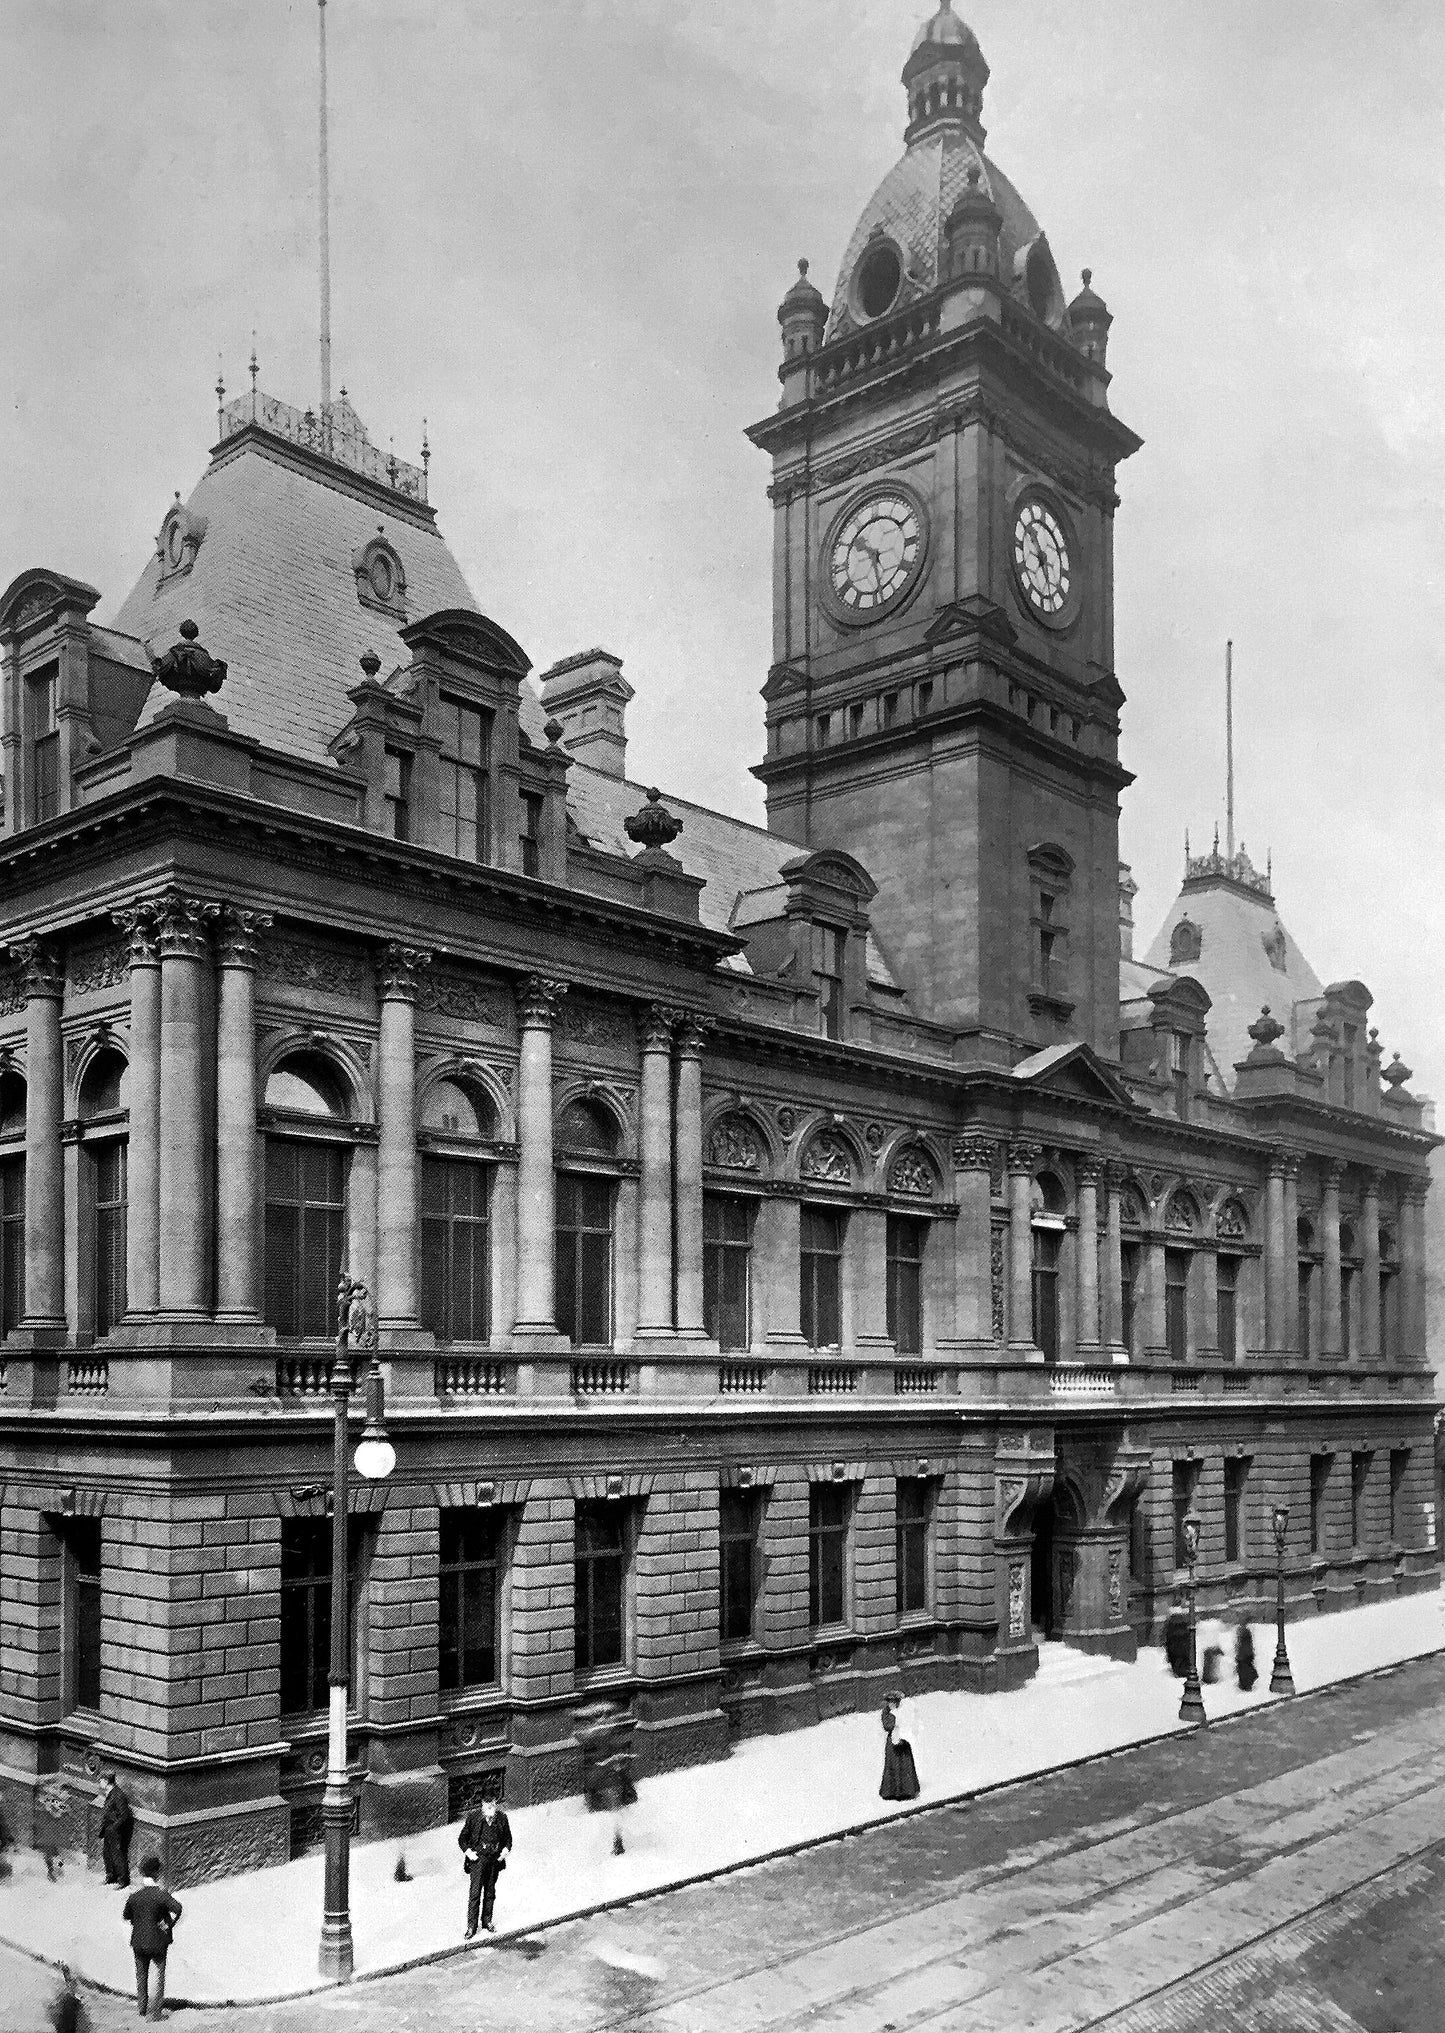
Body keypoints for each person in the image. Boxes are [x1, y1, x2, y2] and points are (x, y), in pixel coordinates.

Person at [122, 1855, 181, 2022]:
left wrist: (137, 1919)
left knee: (141, 1974)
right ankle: (156, 2013)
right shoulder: (161, 1895)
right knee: (159, 1975)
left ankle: (142, 2008)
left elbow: (126, 1915)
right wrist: (168, 1925)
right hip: (158, 1941)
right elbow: (178, 1908)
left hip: (138, 1941)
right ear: (157, 1874)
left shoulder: (134, 1897)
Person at [458, 1790, 512, 1938]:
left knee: (490, 1892)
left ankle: (487, 1921)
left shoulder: (502, 1818)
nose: (490, 1808)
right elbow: (462, 1838)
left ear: (495, 1804)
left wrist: (505, 1850)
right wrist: (469, 1852)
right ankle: (471, 1927)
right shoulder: (473, 1818)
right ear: (482, 1805)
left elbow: (508, 1838)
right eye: (487, 1805)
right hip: (478, 1859)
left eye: (493, 1805)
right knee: (475, 1893)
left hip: (494, 1859)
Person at [879, 1690, 921, 1801]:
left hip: (903, 1740)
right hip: (893, 1741)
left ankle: (907, 1790)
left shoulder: (901, 1711)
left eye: (894, 1702)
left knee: (904, 1764)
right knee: (894, 1765)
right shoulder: (887, 1713)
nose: (892, 1704)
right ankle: (892, 1792)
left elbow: (909, 1722)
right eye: (890, 1702)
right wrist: (894, 1721)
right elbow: (887, 1726)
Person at [99, 1771, 134, 1888]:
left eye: (101, 1781)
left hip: (115, 1830)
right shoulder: (110, 1793)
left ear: (106, 1782)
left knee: (117, 1854)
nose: (99, 1783)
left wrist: (114, 1827)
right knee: (107, 1853)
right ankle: (111, 1876)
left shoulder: (118, 1795)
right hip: (108, 1828)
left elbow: (124, 1815)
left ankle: (122, 1880)